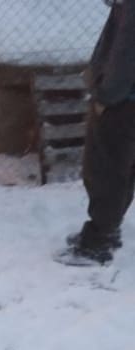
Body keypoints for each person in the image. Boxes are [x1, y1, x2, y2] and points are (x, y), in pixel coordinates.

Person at [59, 0, 135, 265]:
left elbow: (126, 53)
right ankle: (108, 229)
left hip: (123, 100)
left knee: (104, 169)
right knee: (123, 167)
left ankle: (98, 244)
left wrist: (107, 95)